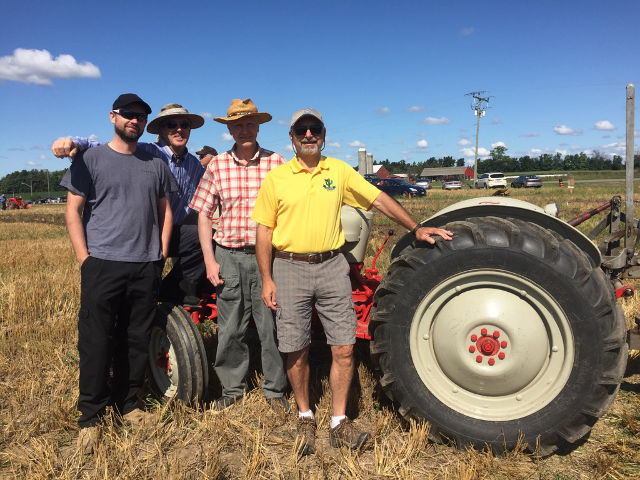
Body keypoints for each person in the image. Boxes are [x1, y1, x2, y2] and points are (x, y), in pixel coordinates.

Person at [252, 108, 453, 454]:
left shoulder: (339, 171)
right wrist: (267, 278)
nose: (309, 134)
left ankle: (339, 422)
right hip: (290, 267)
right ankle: (304, 416)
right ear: (293, 137)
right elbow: (264, 231)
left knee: (344, 347)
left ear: (324, 134)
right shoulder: (277, 178)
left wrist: (416, 227)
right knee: (295, 348)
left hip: (332, 265)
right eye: (303, 130)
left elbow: (379, 200)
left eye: (315, 129)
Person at [60, 93, 176, 454]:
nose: (135, 121)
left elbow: (166, 210)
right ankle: (90, 416)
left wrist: (160, 252)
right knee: (96, 340)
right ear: (113, 117)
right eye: (128, 115)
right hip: (103, 264)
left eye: (141, 116)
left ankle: (129, 404)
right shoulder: (90, 159)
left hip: (144, 264)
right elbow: (72, 212)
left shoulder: (154, 160)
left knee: (136, 337)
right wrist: (86, 259)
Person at [51, 104, 212, 306]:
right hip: (144, 235)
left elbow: (208, 196)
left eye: (184, 125)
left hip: (175, 232)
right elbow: (100, 147)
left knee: (207, 236)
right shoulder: (146, 151)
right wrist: (72, 141)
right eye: (172, 124)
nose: (179, 129)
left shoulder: (194, 164)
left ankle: (176, 289)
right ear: (161, 130)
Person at [189, 99, 288, 412]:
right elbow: (204, 214)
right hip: (229, 254)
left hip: (268, 258)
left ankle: (275, 391)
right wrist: (209, 260)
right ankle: (232, 390)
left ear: (258, 126)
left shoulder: (277, 163)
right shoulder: (217, 166)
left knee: (271, 325)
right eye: (237, 125)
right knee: (231, 327)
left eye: (249, 123)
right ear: (229, 129)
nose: (244, 129)